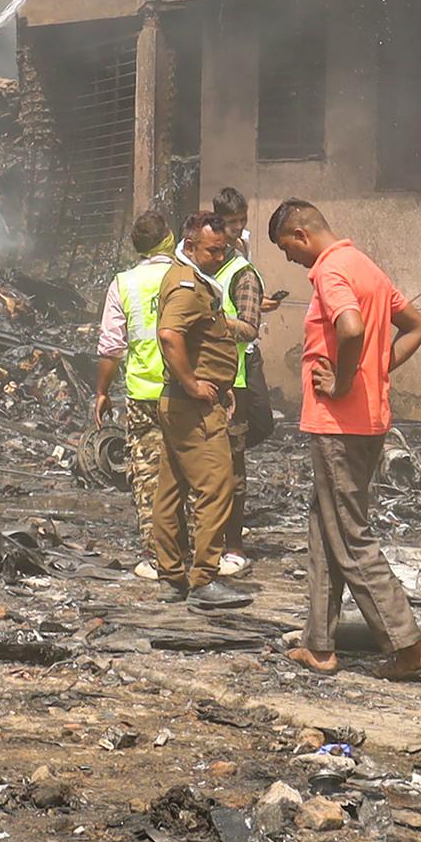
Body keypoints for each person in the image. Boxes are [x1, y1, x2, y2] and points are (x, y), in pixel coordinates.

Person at [265, 199, 421, 682]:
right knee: (326, 529)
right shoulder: (367, 267)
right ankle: (319, 646)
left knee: (349, 535)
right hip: (368, 421)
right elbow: (417, 328)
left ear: (301, 235)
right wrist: (375, 369)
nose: (290, 260)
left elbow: (350, 327)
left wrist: (343, 382)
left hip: (339, 424)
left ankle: (408, 643)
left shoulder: (332, 270)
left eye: (286, 249)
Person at [152, 214, 246, 597]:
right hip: (192, 408)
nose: (219, 256)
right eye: (212, 249)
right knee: (217, 486)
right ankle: (205, 577)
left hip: (180, 403)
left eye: (223, 249)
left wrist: (222, 382)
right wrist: (193, 384)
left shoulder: (192, 280)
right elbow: (169, 335)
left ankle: (171, 576)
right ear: (190, 246)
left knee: (171, 490)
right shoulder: (188, 286)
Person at [93, 213, 185, 585]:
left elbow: (111, 349)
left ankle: (156, 554)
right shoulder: (187, 278)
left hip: (143, 394)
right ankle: (192, 548)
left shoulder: (123, 284)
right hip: (186, 392)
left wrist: (101, 392)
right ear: (169, 238)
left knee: (149, 477)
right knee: (190, 469)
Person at [204, 187, 267, 571]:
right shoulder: (201, 262)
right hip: (200, 379)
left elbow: (247, 326)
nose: (238, 230)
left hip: (233, 378)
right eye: (232, 223)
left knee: (232, 464)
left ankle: (233, 543)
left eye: (242, 222)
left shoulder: (240, 271)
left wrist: (207, 320)